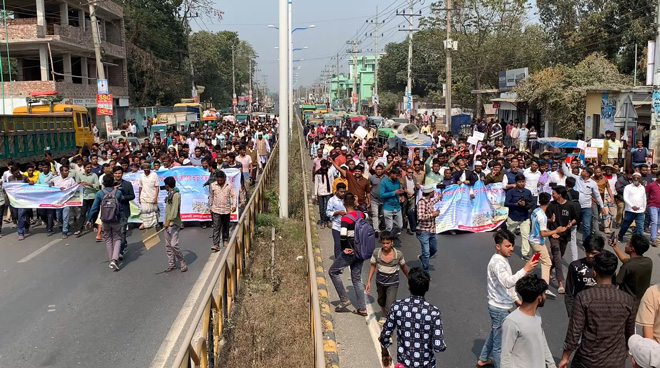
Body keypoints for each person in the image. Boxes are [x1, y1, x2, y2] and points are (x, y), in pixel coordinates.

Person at [558, 250, 636, 368]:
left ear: (594, 272)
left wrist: (565, 357)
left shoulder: (584, 297)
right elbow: (629, 332)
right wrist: (625, 351)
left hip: (588, 359)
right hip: (616, 361)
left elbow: (574, 333)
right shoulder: (627, 300)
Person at [477, 229, 537, 368]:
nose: (511, 249)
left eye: (511, 245)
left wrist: (516, 299)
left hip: (502, 304)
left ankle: (483, 358)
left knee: (495, 333)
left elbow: (507, 287)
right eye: (507, 246)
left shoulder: (502, 260)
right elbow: (508, 282)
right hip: (499, 307)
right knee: (500, 345)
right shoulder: (497, 263)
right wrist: (525, 269)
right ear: (498, 247)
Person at [379, 267, 446, 368]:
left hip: (404, 364)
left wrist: (385, 352)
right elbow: (439, 346)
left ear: (408, 286)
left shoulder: (397, 307)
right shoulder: (434, 312)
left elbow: (384, 335)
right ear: (427, 288)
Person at [500, 274, 555, 368]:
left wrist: (551, 365)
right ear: (539, 298)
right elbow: (505, 356)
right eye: (544, 293)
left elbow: (542, 341)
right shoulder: (511, 322)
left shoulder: (537, 315)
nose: (545, 296)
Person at [329, 192, 367, 316]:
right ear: (353, 203)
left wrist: (344, 248)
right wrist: (358, 205)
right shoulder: (360, 214)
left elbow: (343, 235)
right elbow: (366, 214)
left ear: (344, 203)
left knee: (333, 271)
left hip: (350, 251)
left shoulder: (345, 218)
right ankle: (362, 308)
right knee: (356, 279)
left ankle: (344, 299)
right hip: (361, 250)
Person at [365, 230, 409, 325]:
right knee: (381, 300)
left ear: (392, 242)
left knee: (390, 304)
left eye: (387, 243)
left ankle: (388, 327)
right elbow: (373, 266)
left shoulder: (398, 255)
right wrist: (368, 281)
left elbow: (403, 267)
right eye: (383, 243)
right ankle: (384, 314)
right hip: (380, 282)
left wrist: (409, 279)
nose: (385, 245)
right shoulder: (376, 253)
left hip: (392, 283)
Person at [528, 192, 566, 298]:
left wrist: (550, 221)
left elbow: (539, 225)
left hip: (532, 240)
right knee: (547, 263)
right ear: (549, 202)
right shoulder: (543, 216)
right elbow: (543, 233)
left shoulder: (536, 211)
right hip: (538, 242)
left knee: (534, 261)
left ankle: (522, 278)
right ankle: (544, 288)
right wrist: (556, 230)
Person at [85, 174, 123, 271]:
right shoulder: (118, 193)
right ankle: (115, 259)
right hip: (116, 219)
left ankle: (111, 260)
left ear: (103, 183)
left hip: (105, 219)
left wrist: (89, 220)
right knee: (117, 238)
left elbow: (94, 208)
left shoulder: (99, 194)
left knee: (108, 239)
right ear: (112, 182)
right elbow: (120, 207)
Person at [546, 186, 578, 294]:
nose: (552, 195)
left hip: (564, 235)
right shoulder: (551, 205)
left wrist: (571, 224)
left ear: (559, 195)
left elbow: (576, 218)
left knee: (560, 255)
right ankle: (560, 282)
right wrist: (551, 221)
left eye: (554, 193)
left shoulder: (570, 205)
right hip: (553, 234)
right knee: (557, 256)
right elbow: (545, 219)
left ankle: (548, 269)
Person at [564, 235, 604, 317]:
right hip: (580, 311)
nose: (589, 255)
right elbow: (569, 293)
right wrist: (571, 314)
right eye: (587, 252)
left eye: (593, 253)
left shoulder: (606, 267)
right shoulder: (575, 266)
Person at [609, 233, 653, 302]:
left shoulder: (627, 267)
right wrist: (614, 247)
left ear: (632, 249)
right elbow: (627, 261)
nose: (625, 246)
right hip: (641, 301)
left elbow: (614, 285)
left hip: (626, 301)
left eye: (627, 244)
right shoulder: (648, 262)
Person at [504, 174, 533, 259]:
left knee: (526, 235)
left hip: (524, 217)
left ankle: (525, 254)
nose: (522, 183)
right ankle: (505, 250)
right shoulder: (511, 192)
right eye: (520, 182)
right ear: (516, 182)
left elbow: (532, 202)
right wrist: (517, 204)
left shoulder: (527, 192)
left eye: (523, 182)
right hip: (513, 217)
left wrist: (526, 204)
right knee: (508, 235)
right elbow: (506, 203)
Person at [163, 176, 187, 272]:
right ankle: (171, 264)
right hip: (166, 222)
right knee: (168, 245)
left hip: (174, 223)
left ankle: (181, 260)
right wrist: (165, 221)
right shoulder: (169, 194)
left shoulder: (176, 195)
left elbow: (174, 210)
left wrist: (169, 221)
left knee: (174, 244)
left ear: (167, 185)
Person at [209, 170, 237, 252]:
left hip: (226, 209)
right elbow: (211, 196)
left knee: (225, 226)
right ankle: (216, 244)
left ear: (224, 179)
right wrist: (210, 206)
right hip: (216, 209)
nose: (220, 181)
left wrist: (234, 205)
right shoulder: (212, 185)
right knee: (216, 227)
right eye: (218, 180)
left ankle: (225, 240)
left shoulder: (229, 186)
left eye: (221, 180)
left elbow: (233, 196)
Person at [416, 185, 442, 270]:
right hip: (423, 231)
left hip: (432, 230)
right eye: (433, 192)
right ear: (430, 193)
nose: (434, 193)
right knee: (426, 252)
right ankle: (425, 269)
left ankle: (423, 258)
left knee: (434, 249)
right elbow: (420, 217)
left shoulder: (428, 201)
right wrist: (432, 214)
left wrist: (438, 198)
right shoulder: (421, 202)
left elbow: (432, 203)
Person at [48, 166, 77, 239]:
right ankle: (65, 225)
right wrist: (51, 184)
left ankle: (65, 231)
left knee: (65, 216)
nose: (67, 172)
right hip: (58, 201)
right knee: (58, 216)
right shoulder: (56, 179)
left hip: (66, 201)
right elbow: (48, 182)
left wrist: (68, 189)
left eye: (67, 170)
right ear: (61, 172)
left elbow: (74, 189)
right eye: (65, 171)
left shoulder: (71, 180)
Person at [618, 172, 647, 242]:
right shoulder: (628, 187)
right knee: (626, 225)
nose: (636, 179)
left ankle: (637, 241)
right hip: (630, 210)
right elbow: (625, 198)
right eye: (635, 178)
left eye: (638, 178)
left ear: (640, 179)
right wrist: (632, 206)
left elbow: (644, 198)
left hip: (640, 211)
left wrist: (644, 208)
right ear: (632, 178)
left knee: (640, 227)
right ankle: (620, 235)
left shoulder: (642, 188)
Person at [73, 161, 100, 236]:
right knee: (83, 213)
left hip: (93, 196)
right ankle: (80, 229)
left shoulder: (94, 175)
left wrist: (89, 184)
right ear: (84, 168)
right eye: (87, 167)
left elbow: (97, 186)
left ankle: (95, 225)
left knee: (94, 212)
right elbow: (76, 185)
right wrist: (78, 183)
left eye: (90, 167)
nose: (89, 168)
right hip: (84, 196)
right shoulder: (79, 175)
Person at [114, 166, 135, 259]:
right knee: (115, 232)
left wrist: (124, 197)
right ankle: (119, 245)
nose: (117, 175)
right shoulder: (109, 184)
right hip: (112, 212)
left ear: (122, 174)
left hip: (123, 211)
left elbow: (132, 196)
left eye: (119, 173)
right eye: (116, 173)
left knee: (122, 232)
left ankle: (120, 251)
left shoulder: (127, 184)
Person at [380, 167, 404, 238]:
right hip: (387, 207)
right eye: (396, 175)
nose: (397, 177)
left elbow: (398, 190)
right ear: (392, 174)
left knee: (400, 226)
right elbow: (381, 195)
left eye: (398, 176)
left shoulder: (397, 181)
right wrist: (393, 193)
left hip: (397, 206)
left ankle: (392, 236)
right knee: (389, 228)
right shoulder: (384, 182)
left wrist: (401, 195)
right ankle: (388, 241)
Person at [326, 183, 347, 259]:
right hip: (336, 226)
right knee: (337, 244)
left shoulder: (346, 199)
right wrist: (337, 213)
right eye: (341, 192)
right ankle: (337, 262)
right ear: (337, 191)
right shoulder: (332, 200)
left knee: (344, 244)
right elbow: (328, 213)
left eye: (344, 192)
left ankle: (344, 259)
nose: (343, 193)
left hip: (345, 226)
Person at [138, 163, 160, 230]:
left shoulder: (154, 175)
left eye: (148, 168)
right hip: (144, 197)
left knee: (153, 213)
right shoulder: (141, 176)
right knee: (145, 214)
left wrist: (155, 197)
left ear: (150, 168)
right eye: (145, 169)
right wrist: (139, 197)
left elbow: (157, 187)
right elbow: (140, 187)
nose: (146, 170)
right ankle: (147, 229)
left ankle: (153, 228)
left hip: (152, 197)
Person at [646, 171, 660, 247]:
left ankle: (654, 234)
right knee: (654, 221)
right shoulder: (651, 185)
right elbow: (644, 191)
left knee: (658, 222)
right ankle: (653, 239)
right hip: (653, 205)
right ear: (657, 177)